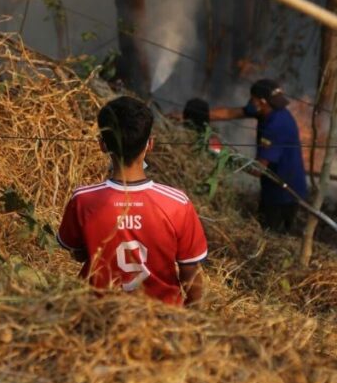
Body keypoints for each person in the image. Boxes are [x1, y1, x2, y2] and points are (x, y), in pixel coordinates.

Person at [57, 96, 208, 306]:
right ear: (150, 144)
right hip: (164, 319)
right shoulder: (177, 204)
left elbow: (78, 252)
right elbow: (190, 271)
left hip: (97, 313)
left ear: (102, 145)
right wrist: (195, 317)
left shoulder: (83, 199)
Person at [209, 78, 308, 232]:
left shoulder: (275, 125)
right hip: (276, 187)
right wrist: (196, 114)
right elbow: (231, 112)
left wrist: (221, 153)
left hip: (283, 193)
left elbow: (257, 169)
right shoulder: (268, 110)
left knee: (273, 235)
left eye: (252, 99)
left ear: (262, 102)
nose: (250, 102)